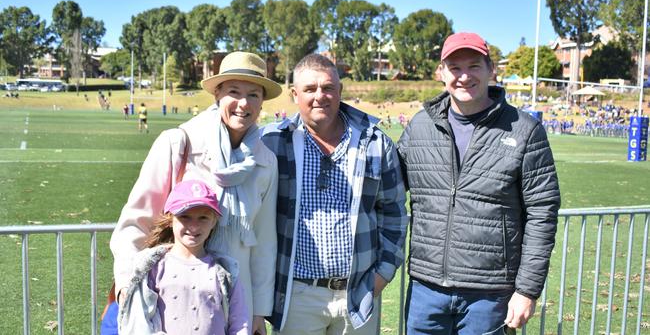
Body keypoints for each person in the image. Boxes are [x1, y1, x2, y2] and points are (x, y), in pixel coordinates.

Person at [397, 32, 561, 334]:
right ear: (441, 72)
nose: (464, 76)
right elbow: (385, 188)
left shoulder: (525, 130)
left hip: (489, 295)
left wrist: (527, 290)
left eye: (474, 66)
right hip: (426, 289)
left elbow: (542, 213)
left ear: (491, 70)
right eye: (455, 67)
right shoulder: (420, 126)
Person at [111, 51, 281, 335]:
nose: (243, 103)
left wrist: (258, 312)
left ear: (263, 101)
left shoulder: (266, 161)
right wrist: (128, 290)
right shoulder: (179, 142)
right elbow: (135, 223)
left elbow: (263, 243)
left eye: (253, 94)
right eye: (234, 91)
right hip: (172, 297)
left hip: (236, 303)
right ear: (217, 94)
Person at [261, 54, 408, 334]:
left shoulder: (375, 143)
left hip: (358, 293)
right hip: (297, 295)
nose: (320, 96)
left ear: (340, 91)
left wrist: (381, 277)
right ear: (294, 94)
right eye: (310, 89)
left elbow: (395, 215)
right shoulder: (272, 142)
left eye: (328, 87)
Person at [118, 179, 249, 334]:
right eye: (185, 217)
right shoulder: (152, 267)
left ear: (214, 221)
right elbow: (140, 322)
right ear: (170, 218)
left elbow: (240, 324)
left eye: (203, 218)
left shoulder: (226, 272)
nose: (194, 226)